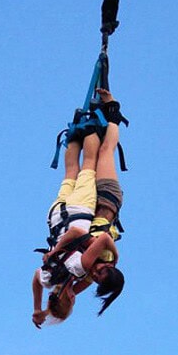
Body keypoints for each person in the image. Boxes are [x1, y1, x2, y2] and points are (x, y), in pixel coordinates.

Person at [32, 89, 126, 327]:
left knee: (90, 162)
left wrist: (43, 308)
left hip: (87, 206)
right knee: (103, 154)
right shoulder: (85, 267)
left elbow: (77, 282)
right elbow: (77, 280)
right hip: (105, 201)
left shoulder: (81, 270)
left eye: (96, 278)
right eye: (100, 274)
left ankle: (90, 124)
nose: (95, 276)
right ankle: (110, 112)